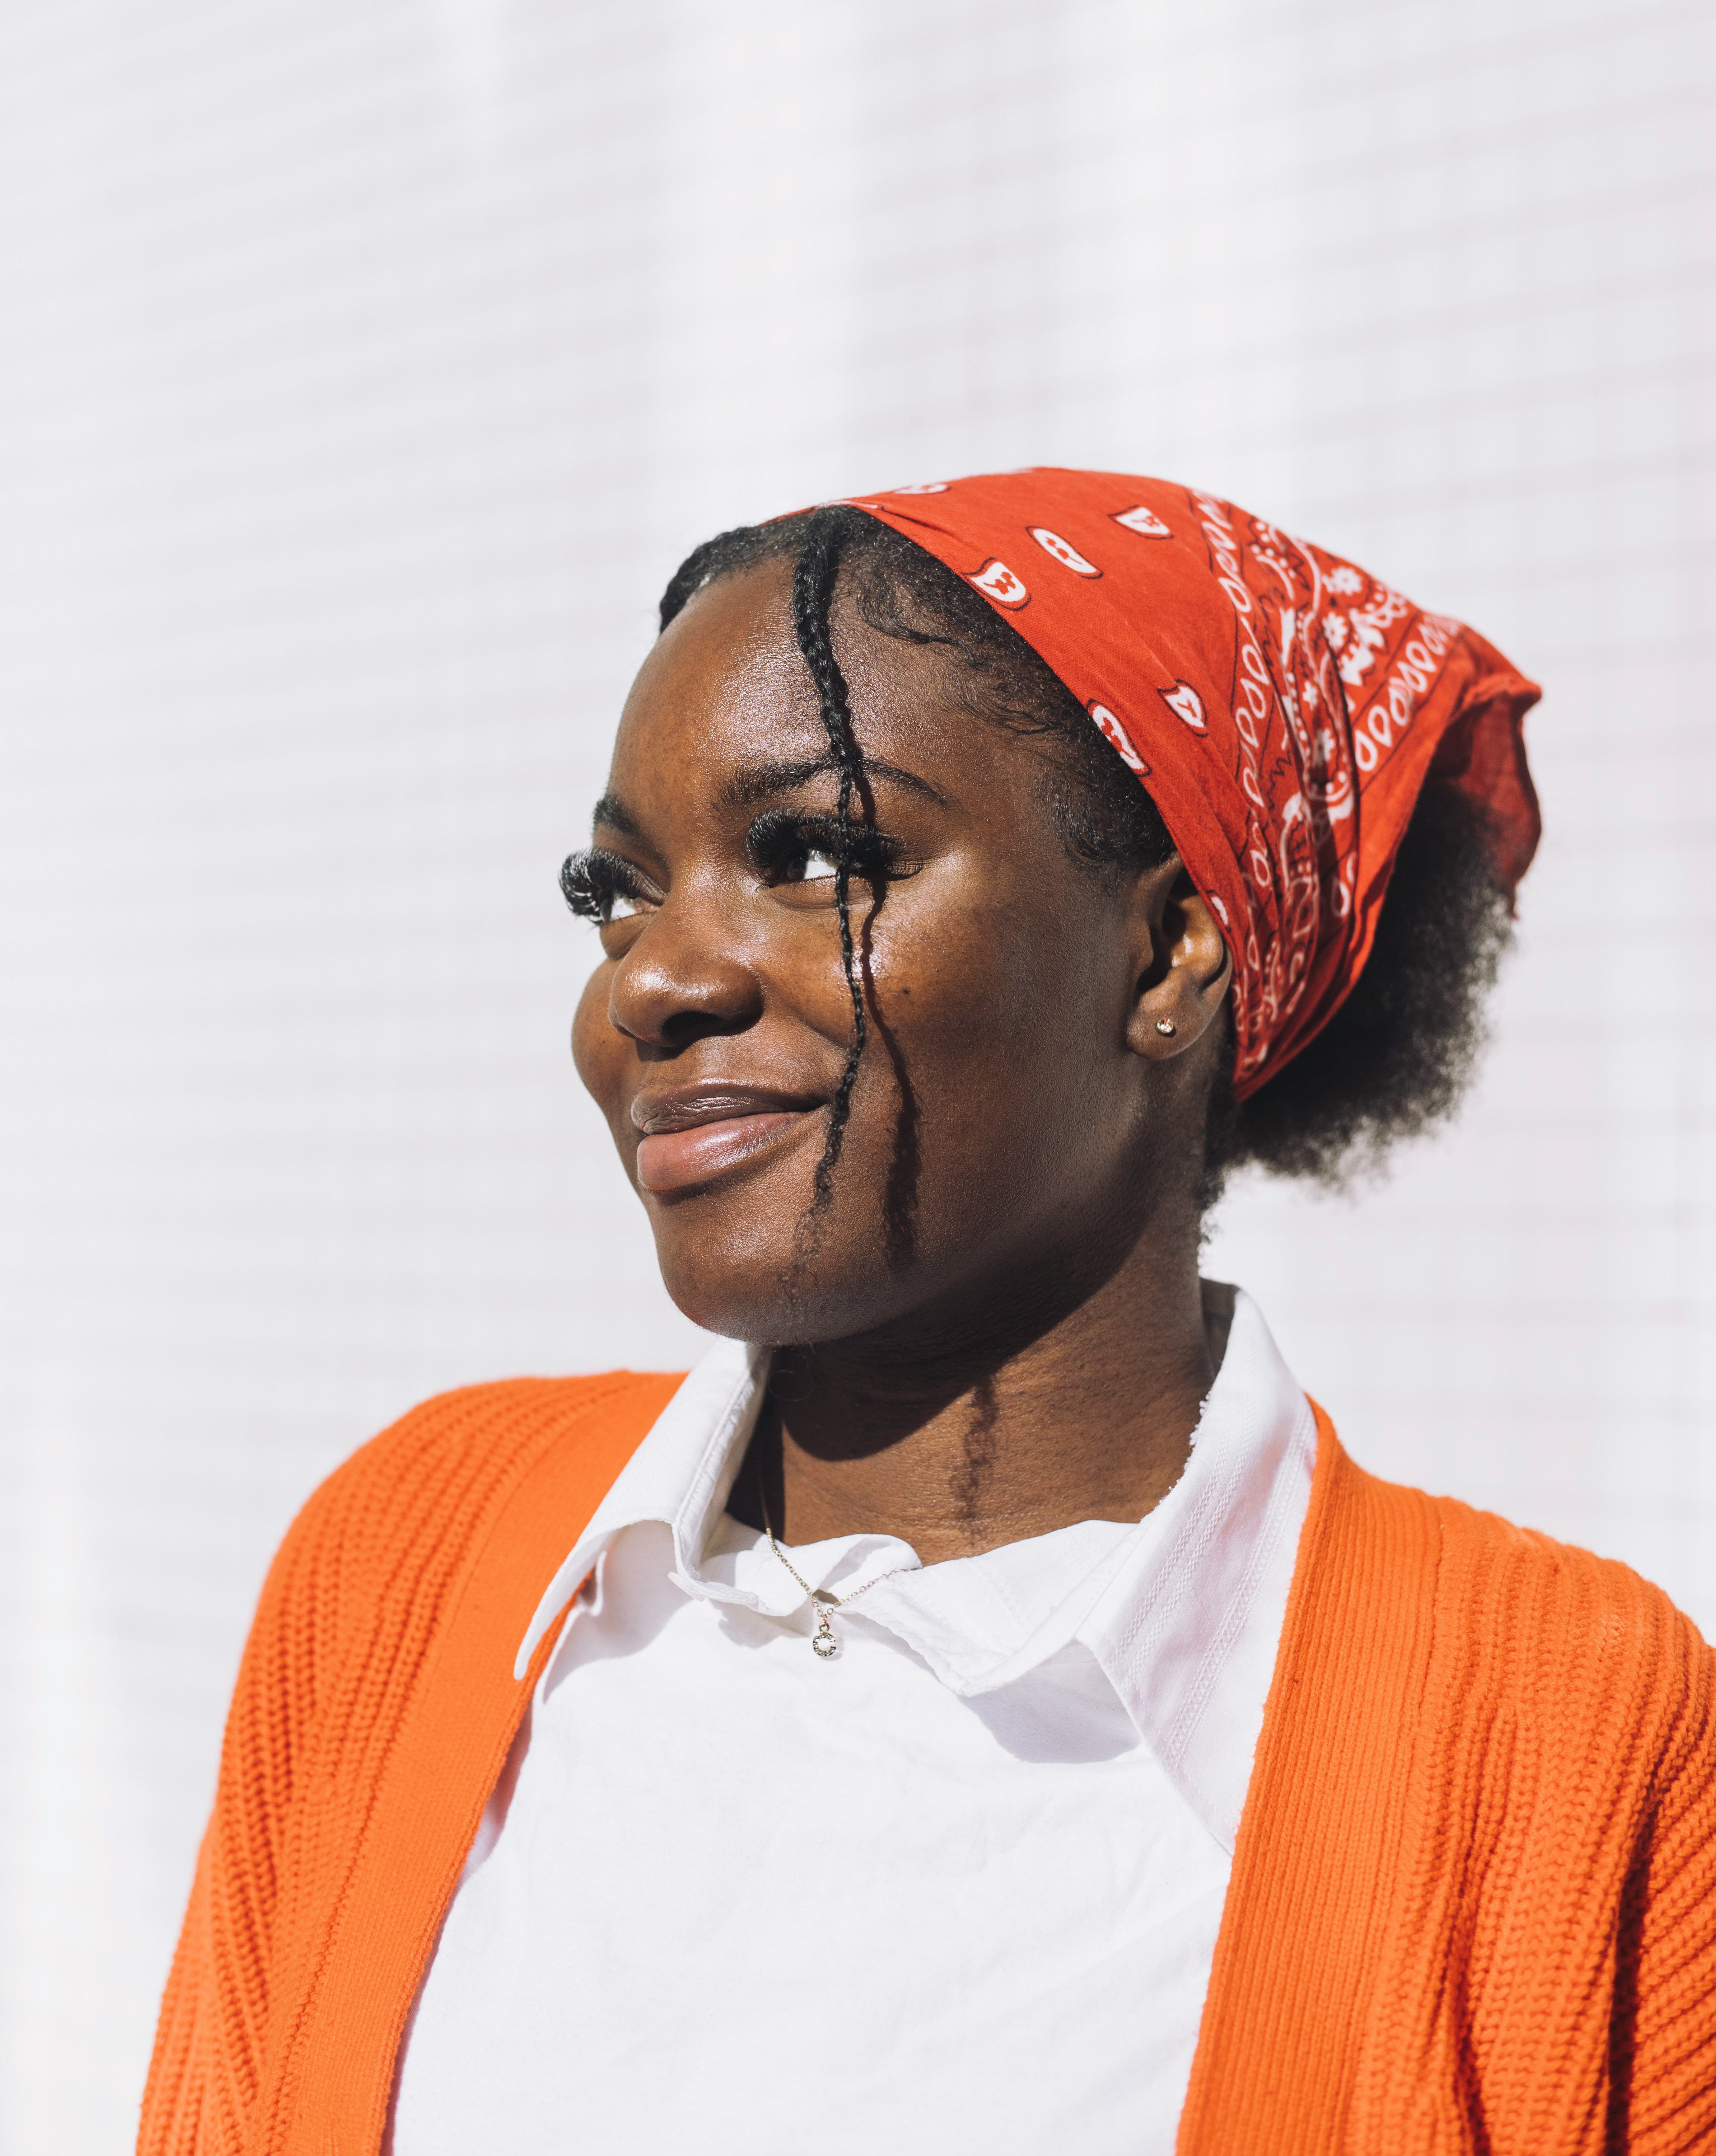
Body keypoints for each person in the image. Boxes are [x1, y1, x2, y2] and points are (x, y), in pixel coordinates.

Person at [140, 470, 1716, 2156]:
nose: (654, 978)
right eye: (616, 889)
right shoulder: (414, 1555)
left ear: (1171, 952)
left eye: (812, 851)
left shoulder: (1559, 1734)